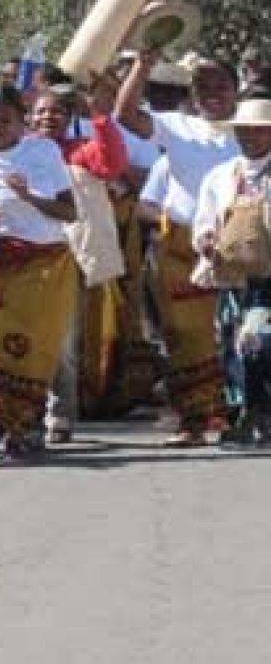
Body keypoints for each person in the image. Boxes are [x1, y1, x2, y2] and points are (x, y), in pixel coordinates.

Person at [0, 82, 78, 461]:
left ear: (22, 120)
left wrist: (29, 197)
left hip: (45, 263)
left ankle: (27, 425)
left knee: (34, 348)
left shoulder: (43, 151)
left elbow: (69, 213)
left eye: (4, 120)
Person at [116, 51, 239, 444]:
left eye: (221, 85)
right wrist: (142, 65)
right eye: (203, 86)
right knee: (183, 334)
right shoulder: (176, 126)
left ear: (236, 90)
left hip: (238, 246)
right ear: (192, 91)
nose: (212, 93)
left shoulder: (252, 129)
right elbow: (124, 114)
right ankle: (194, 419)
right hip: (180, 248)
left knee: (235, 333)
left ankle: (239, 415)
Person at [28, 81, 128, 441]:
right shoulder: (19, 155)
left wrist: (100, 116)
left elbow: (114, 162)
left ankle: (59, 414)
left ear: (70, 118)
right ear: (29, 117)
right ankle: (19, 407)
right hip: (21, 257)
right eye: (41, 111)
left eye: (56, 111)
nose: (48, 117)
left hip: (68, 257)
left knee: (62, 339)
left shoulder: (80, 153)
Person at [193, 98, 271, 443]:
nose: (250, 136)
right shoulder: (220, 176)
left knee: (257, 341)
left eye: (258, 130)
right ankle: (242, 413)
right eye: (244, 130)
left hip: (267, 278)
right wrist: (206, 241)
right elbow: (203, 221)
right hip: (232, 276)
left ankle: (260, 411)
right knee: (230, 344)